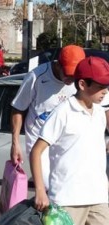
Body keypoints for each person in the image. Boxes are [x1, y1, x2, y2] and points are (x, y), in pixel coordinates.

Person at [30, 56, 109, 224]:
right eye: (100, 87)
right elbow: (36, 152)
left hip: (98, 197)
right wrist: (40, 191)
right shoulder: (63, 112)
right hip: (67, 200)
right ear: (82, 84)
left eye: (107, 87)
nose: (105, 91)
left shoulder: (100, 113)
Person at [10, 45, 85, 188]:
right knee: (51, 187)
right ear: (58, 64)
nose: (70, 79)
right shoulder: (36, 77)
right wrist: (15, 144)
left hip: (66, 143)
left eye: (74, 76)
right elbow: (18, 109)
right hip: (39, 144)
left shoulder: (80, 81)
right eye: (67, 74)